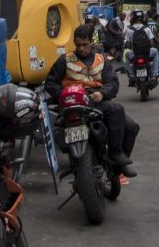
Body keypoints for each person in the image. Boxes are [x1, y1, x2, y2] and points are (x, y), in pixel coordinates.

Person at [45, 24, 138, 175]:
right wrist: (66, 94)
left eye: (84, 45)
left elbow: (113, 83)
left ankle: (117, 159)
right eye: (78, 45)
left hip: (96, 102)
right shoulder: (65, 60)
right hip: (73, 105)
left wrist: (102, 93)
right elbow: (50, 83)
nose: (81, 49)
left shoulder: (101, 60)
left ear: (91, 42)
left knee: (131, 126)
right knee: (117, 110)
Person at [123, 11, 159, 83]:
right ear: (142, 18)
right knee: (155, 51)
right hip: (147, 53)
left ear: (133, 18)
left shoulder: (129, 29)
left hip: (134, 54)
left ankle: (131, 75)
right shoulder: (146, 28)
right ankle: (155, 74)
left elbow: (127, 45)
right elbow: (152, 43)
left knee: (126, 54)